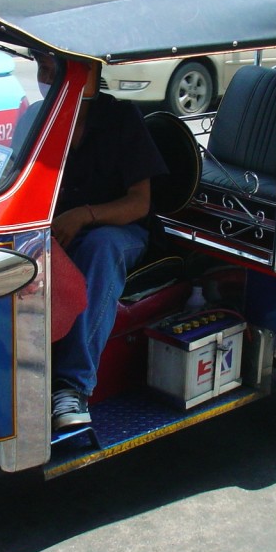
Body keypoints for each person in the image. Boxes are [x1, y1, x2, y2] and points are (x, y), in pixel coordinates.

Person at [41, 54, 168, 431]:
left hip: (122, 231)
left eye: (56, 69)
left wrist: (84, 215)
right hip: (58, 229)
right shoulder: (38, 117)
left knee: (100, 248)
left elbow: (138, 202)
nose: (46, 78)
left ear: (89, 74)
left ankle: (73, 385)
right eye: (42, 68)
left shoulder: (120, 118)